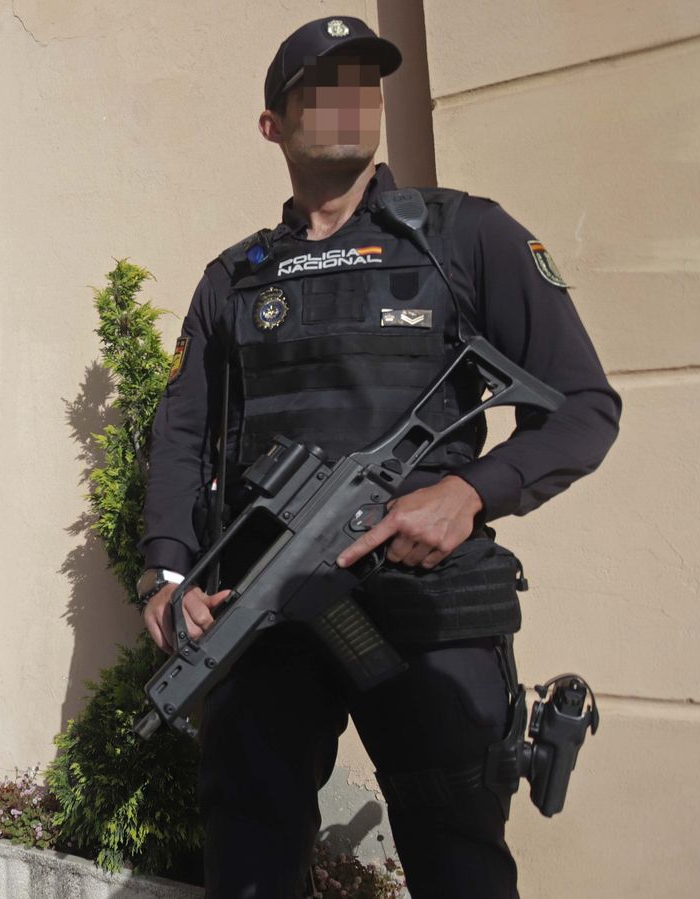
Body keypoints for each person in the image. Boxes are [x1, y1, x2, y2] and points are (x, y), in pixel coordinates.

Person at [137, 17, 620, 898]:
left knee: (457, 855)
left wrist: (470, 493)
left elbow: (585, 405)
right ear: (272, 124)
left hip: (426, 608)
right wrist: (165, 576)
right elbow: (178, 436)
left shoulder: (466, 235)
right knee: (246, 855)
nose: (348, 99)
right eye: (319, 84)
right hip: (269, 608)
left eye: (363, 79)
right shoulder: (233, 280)